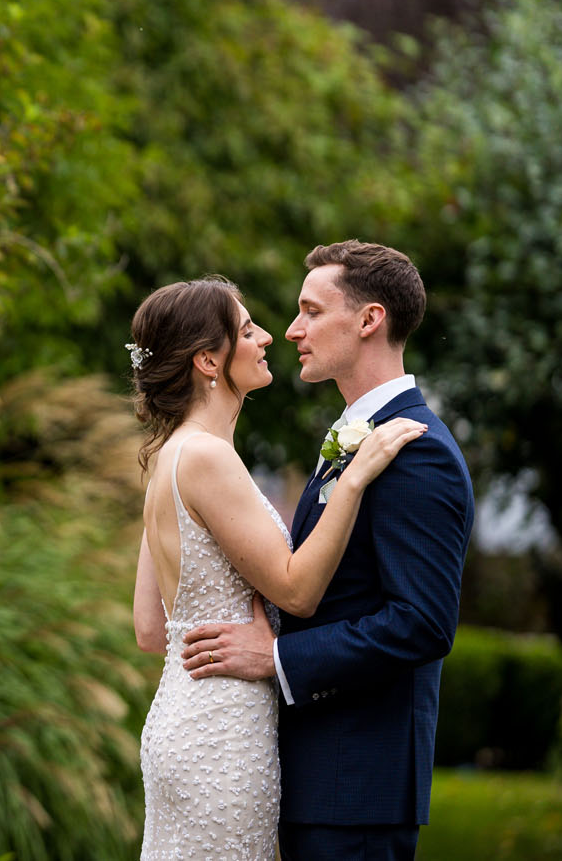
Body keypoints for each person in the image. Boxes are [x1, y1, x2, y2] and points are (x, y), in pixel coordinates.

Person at [181, 241, 475, 860]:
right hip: (320, 780)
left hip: (356, 786)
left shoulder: (416, 451)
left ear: (369, 320)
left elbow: (422, 623)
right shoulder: (354, 439)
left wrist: (278, 657)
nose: (291, 331)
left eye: (311, 311)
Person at [129, 274, 426, 860]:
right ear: (208, 362)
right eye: (246, 330)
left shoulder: (167, 455)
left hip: (180, 717)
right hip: (223, 735)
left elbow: (150, 628)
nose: (268, 337)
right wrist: (356, 477)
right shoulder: (209, 457)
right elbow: (297, 590)